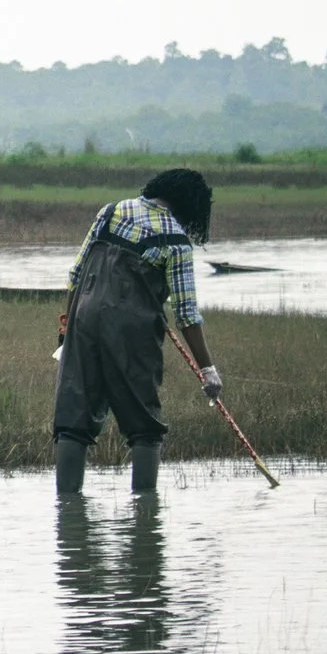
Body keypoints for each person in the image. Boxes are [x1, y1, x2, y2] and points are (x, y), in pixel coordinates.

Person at [53, 168, 224, 494]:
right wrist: (208, 369)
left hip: (82, 323)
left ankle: (67, 510)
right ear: (191, 205)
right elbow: (186, 314)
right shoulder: (176, 241)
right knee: (144, 427)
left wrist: (67, 331)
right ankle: (146, 515)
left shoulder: (111, 211)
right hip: (132, 334)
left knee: (73, 423)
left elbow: (75, 277)